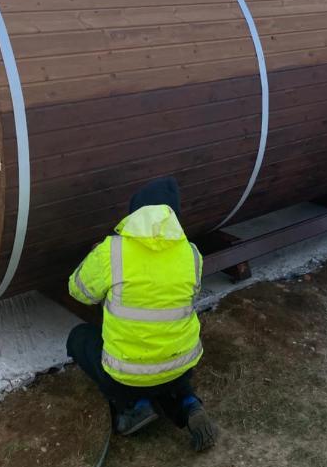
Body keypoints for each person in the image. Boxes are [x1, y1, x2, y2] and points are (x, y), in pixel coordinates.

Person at [66, 176, 217, 452]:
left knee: (79, 338)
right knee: (166, 372)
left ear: (134, 213)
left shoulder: (111, 252)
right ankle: (188, 404)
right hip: (182, 366)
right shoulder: (192, 254)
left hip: (127, 376)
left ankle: (136, 406)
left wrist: (95, 261)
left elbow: (78, 291)